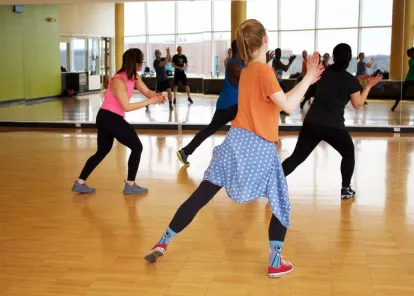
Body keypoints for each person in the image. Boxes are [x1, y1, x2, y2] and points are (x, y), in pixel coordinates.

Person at [144, 19, 324, 278]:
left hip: (234, 140)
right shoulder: (263, 71)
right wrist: (308, 78)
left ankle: (163, 241)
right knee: (281, 203)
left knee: (201, 195)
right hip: (259, 145)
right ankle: (275, 261)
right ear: (265, 40)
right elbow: (288, 106)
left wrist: (306, 79)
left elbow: (280, 100)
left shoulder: (249, 70)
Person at [281, 43, 383, 200]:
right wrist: (368, 85)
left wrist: (356, 80)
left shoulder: (323, 73)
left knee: (296, 158)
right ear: (350, 59)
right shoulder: (350, 81)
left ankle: (271, 183)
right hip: (333, 127)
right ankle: (346, 189)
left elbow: (334, 80)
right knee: (348, 153)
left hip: (312, 123)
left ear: (333, 57)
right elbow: (358, 104)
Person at [71, 48, 166, 194]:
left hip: (109, 117)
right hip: (109, 118)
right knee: (137, 147)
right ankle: (130, 184)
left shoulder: (134, 77)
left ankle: (80, 182)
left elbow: (147, 92)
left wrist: (157, 96)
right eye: (141, 61)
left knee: (102, 151)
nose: (142, 64)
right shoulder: (118, 80)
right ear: (136, 63)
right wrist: (150, 102)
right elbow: (126, 107)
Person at [391, 47, 414, 111]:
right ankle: (395, 105)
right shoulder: (410, 61)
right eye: (410, 54)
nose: (411, 55)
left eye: (412, 53)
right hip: (409, 79)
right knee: (402, 93)